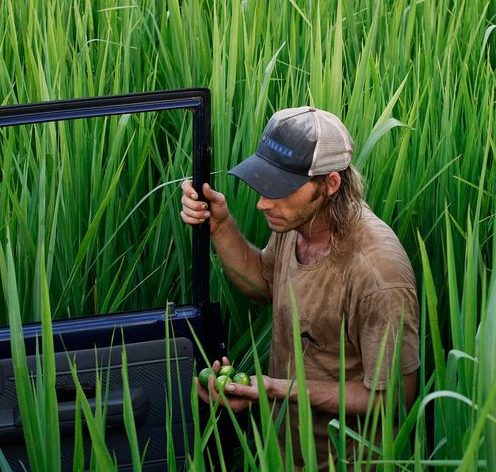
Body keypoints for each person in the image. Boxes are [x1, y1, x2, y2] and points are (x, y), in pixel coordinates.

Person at [180, 106, 420, 469]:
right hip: (285, 451)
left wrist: (275, 389)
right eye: (263, 182)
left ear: (330, 185)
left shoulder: (378, 275)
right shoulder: (298, 226)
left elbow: (394, 399)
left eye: (279, 188)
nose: (262, 202)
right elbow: (263, 283)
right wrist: (220, 225)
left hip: (344, 459)